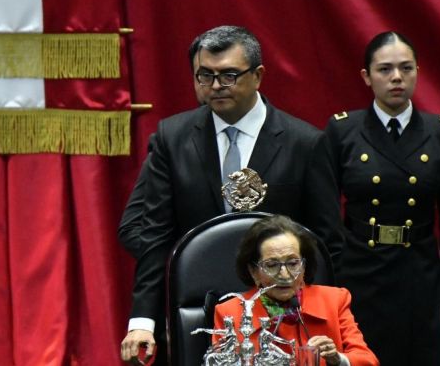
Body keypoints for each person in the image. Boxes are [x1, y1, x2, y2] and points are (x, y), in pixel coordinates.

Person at [117, 25, 345, 364]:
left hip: (281, 317)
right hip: (198, 309)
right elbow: (153, 235)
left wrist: (317, 317)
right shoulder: (172, 138)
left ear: (258, 75)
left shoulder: (305, 143)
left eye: (228, 76)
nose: (215, 86)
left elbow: (327, 243)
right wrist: (142, 321)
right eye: (205, 75)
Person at [324, 31, 440, 365]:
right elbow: (325, 218)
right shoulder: (343, 131)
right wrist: (331, 286)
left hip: (419, 275)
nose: (397, 77)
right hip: (358, 273)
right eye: (385, 69)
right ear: (366, 76)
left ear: (417, 73)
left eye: (406, 68)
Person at [213, 215, 378, 366]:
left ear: (304, 266)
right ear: (253, 272)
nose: (284, 275)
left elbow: (368, 360)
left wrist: (338, 359)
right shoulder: (230, 313)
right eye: (272, 265)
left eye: (293, 263)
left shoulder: (334, 300)